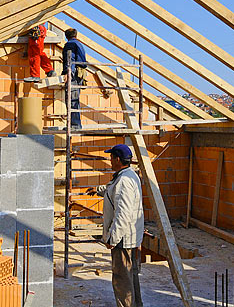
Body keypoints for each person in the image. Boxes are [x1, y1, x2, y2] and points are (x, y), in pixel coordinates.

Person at [87, 144, 144, 307]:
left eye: (111, 157)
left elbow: (123, 214)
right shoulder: (128, 175)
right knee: (131, 276)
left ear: (118, 159)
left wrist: (113, 238)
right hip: (130, 236)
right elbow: (114, 190)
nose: (110, 160)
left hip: (123, 239)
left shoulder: (124, 181)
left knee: (122, 280)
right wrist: (98, 190)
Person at [62, 28, 86, 129]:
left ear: (66, 36)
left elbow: (70, 59)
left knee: (72, 98)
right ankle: (75, 124)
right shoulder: (79, 44)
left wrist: (68, 72)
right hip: (79, 72)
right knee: (74, 97)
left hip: (74, 72)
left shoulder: (70, 44)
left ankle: (75, 124)